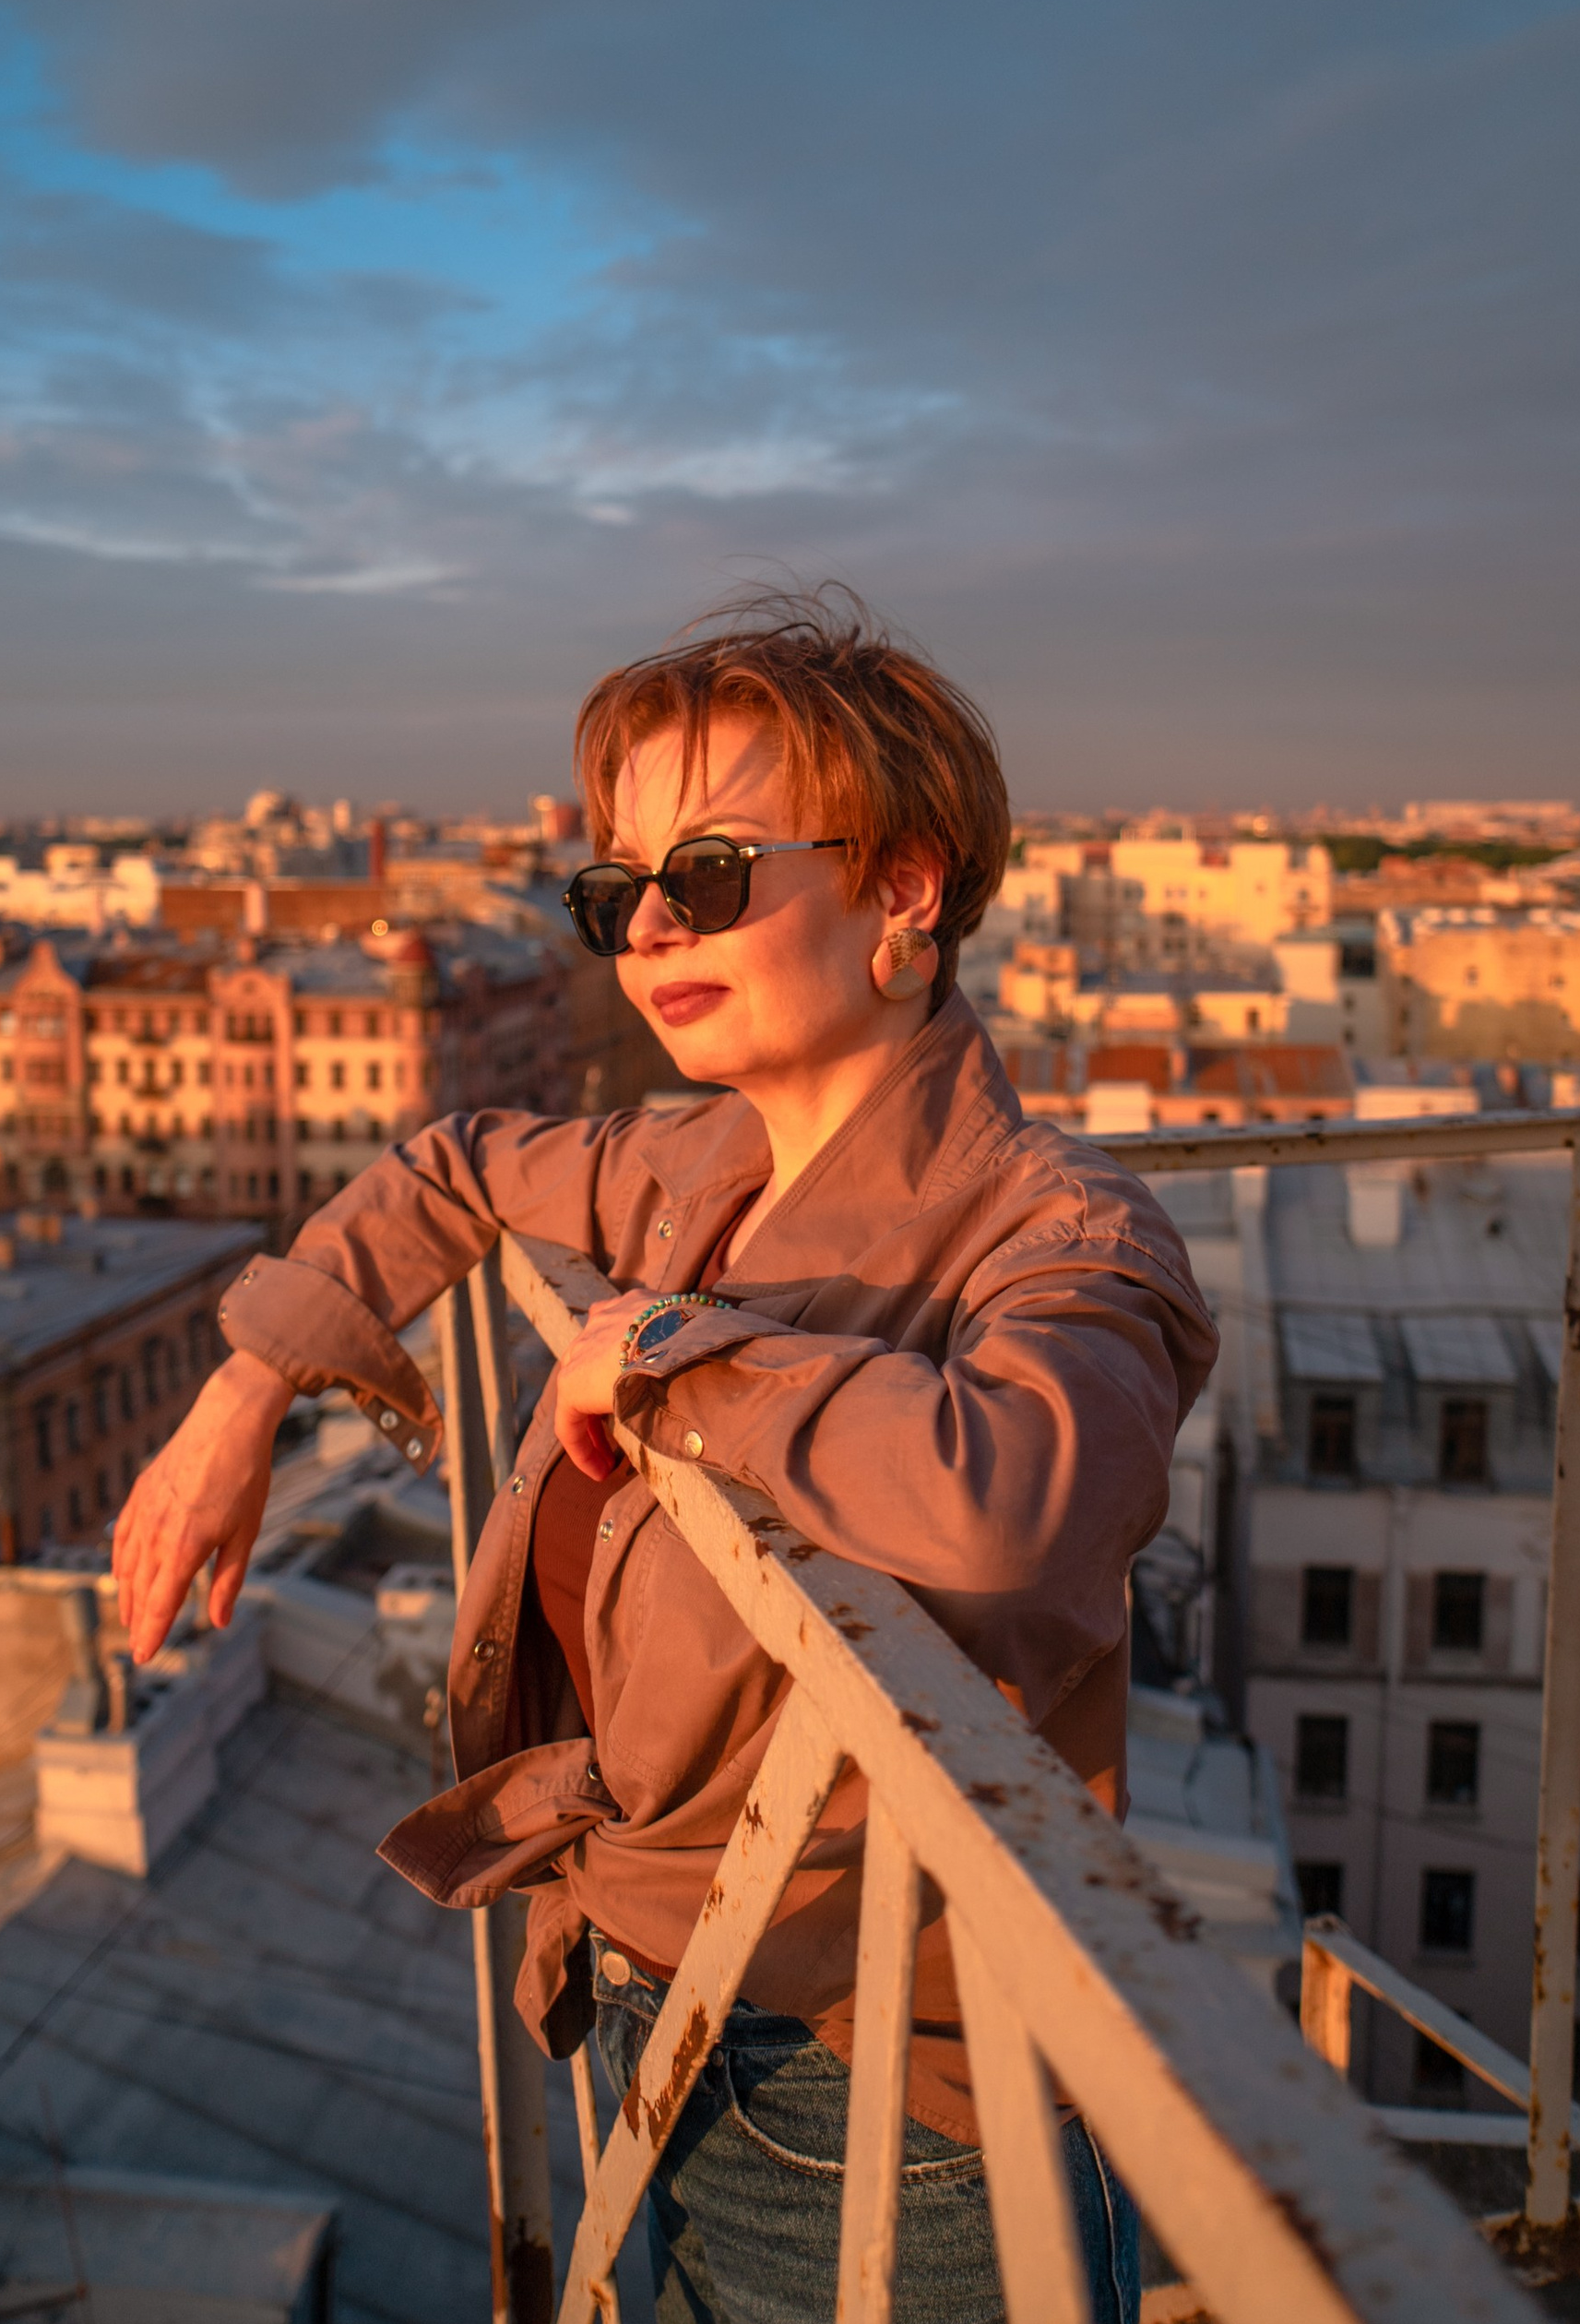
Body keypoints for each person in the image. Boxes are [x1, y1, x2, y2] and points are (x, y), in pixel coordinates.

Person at [114, 588, 1218, 2321]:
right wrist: (239, 1398)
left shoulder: (1059, 1233)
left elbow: (1013, 1503)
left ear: (904, 890)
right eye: (613, 892)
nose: (644, 931)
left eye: (705, 873)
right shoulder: (691, 1167)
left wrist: (678, 1365)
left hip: (894, 2112)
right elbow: (453, 1162)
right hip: (652, 2015)